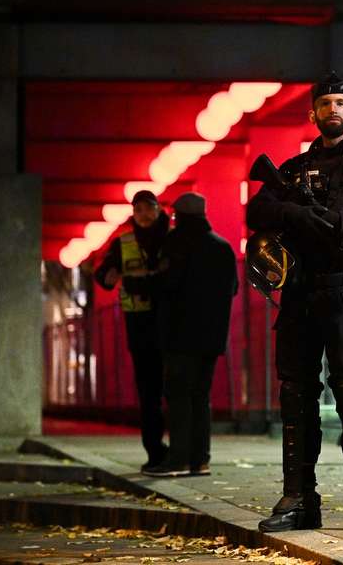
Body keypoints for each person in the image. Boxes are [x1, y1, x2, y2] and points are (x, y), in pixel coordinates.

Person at [247, 72, 343, 532]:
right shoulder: (292, 171)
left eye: (340, 104)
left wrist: (337, 223)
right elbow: (256, 212)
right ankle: (298, 499)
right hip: (298, 294)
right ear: (312, 113)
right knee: (295, 398)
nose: (332, 110)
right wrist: (295, 212)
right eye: (324, 103)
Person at [142, 193, 238, 477]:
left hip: (179, 334)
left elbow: (166, 284)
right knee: (201, 396)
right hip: (211, 337)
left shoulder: (175, 244)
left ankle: (179, 459)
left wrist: (146, 284)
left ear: (179, 217)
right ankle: (201, 459)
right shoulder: (223, 248)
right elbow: (233, 289)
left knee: (178, 396)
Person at [93, 190, 170, 471]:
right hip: (139, 326)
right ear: (133, 214)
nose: (144, 214)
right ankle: (154, 451)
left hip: (169, 322)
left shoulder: (173, 239)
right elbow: (102, 274)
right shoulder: (123, 243)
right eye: (138, 210)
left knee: (174, 389)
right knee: (149, 392)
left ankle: (180, 449)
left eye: (148, 208)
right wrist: (107, 277)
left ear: (159, 209)